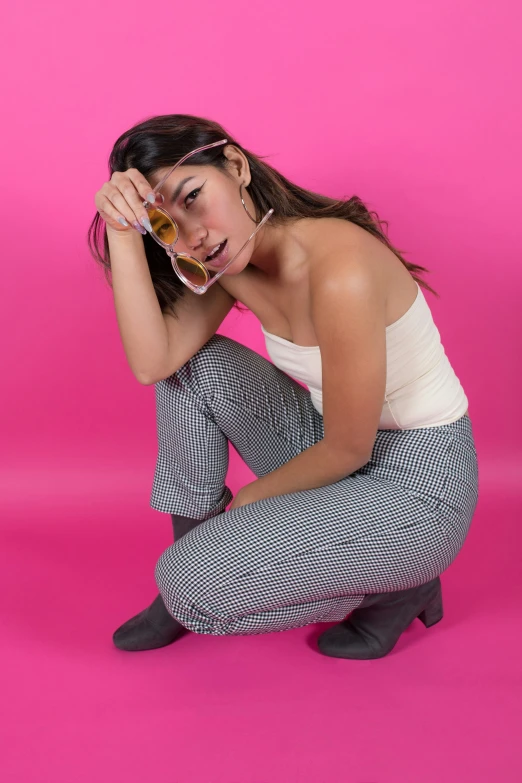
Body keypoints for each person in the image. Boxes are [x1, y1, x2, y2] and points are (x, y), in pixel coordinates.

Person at [89, 113, 479, 660]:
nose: (194, 235)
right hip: (331, 448)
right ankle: (193, 559)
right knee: (191, 369)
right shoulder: (232, 260)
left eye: (193, 196)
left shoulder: (340, 268)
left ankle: (399, 585)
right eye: (166, 223)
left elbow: (350, 447)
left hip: (419, 484)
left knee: (194, 583)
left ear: (236, 167)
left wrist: (248, 505)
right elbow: (154, 363)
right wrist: (124, 233)